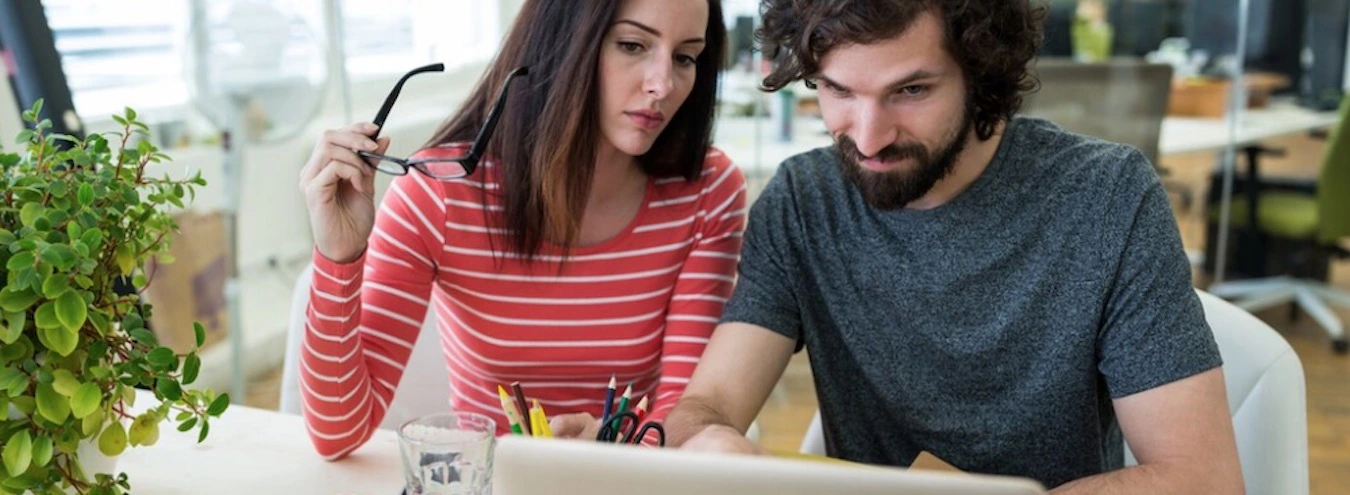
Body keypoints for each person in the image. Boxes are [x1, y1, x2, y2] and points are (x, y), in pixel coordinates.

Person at [663, 0, 1244, 493]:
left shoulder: (1106, 198)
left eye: (910, 90)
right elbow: (708, 404)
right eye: (837, 91)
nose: (868, 136)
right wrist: (702, 439)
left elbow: (1202, 478)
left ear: (981, 71)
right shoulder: (802, 201)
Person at [297, 0, 743, 459]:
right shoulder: (440, 196)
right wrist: (339, 256)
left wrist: (618, 453)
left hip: (635, 481)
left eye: (685, 57)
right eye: (632, 45)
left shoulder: (708, 193)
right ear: (562, 42)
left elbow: (687, 409)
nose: (662, 84)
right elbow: (338, 434)